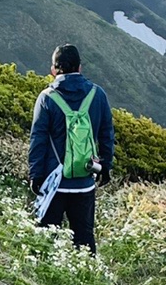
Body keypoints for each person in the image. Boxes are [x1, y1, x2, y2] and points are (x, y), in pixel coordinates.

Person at [29, 43, 114, 251]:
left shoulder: (46, 98)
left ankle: (44, 282)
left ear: (53, 70)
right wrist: (105, 167)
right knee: (84, 240)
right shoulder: (98, 95)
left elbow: (37, 139)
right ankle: (88, 279)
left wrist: (35, 175)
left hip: (54, 181)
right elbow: (106, 135)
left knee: (46, 242)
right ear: (79, 68)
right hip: (85, 181)